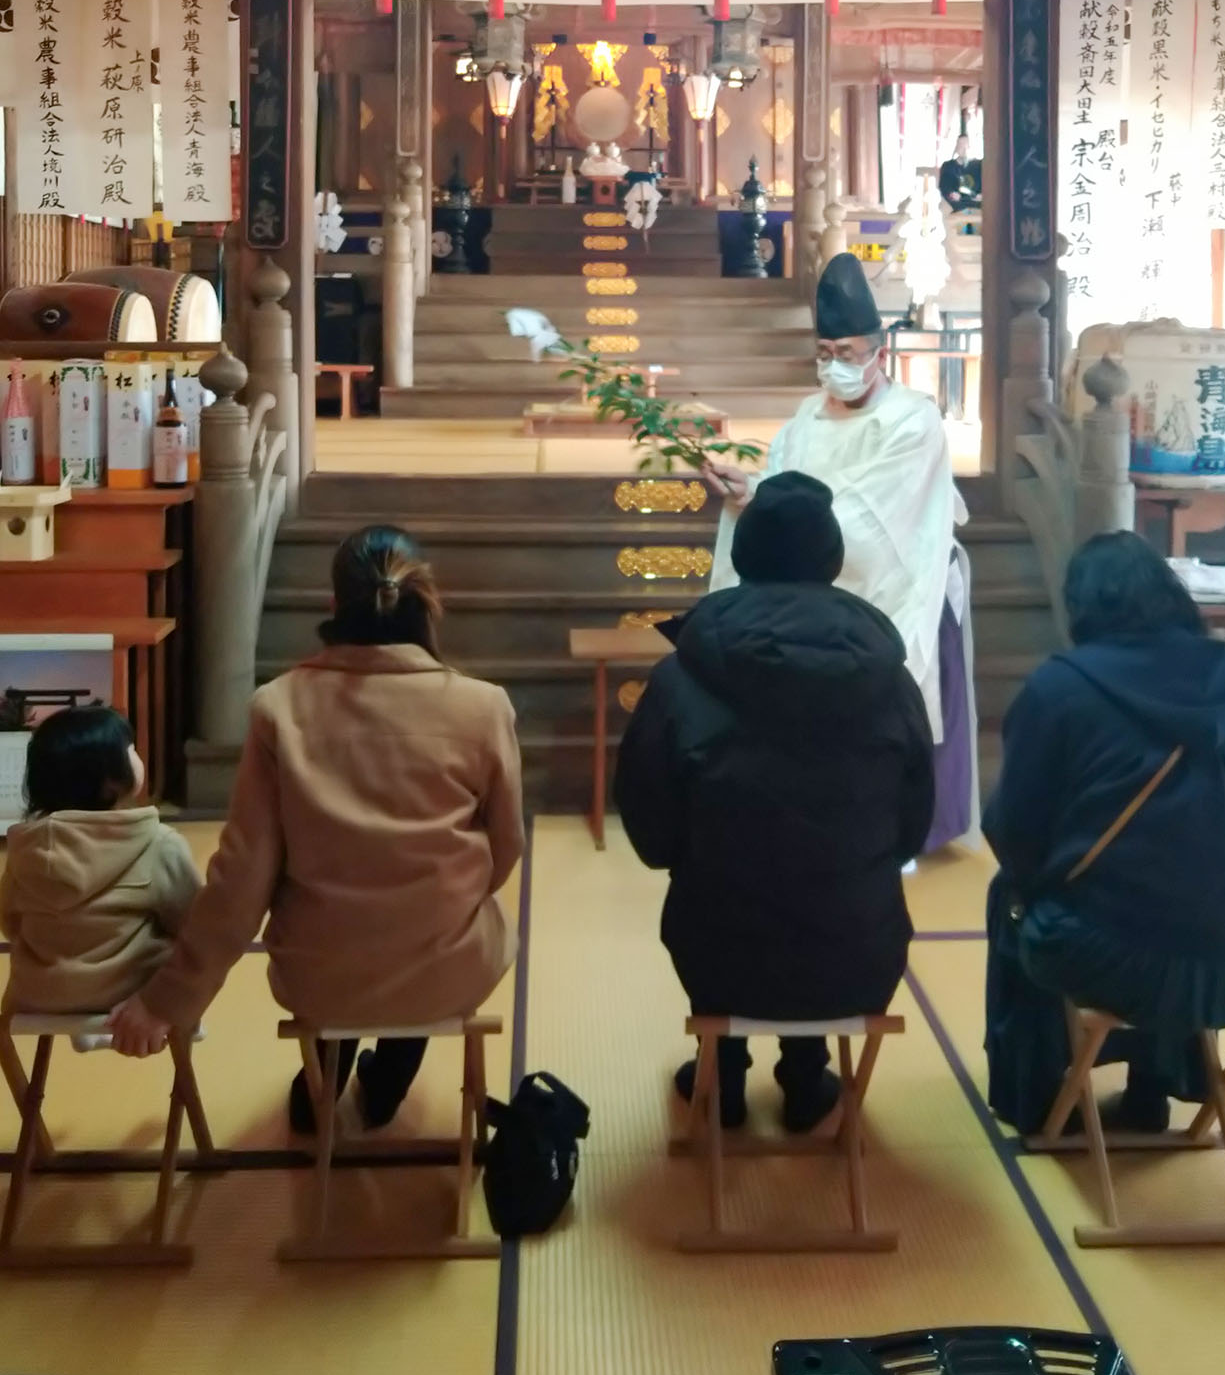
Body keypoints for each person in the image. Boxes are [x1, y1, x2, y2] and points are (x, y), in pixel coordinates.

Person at [110, 525, 526, 1134]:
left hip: (321, 970)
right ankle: (386, 1086)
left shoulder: (279, 706)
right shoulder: (483, 706)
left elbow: (241, 879)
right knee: (434, 936)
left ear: (334, 604)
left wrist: (168, 998)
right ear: (427, 603)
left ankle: (320, 1082)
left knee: (336, 946)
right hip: (447, 965)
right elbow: (507, 847)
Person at [615, 472, 935, 1131]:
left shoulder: (683, 677)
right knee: (828, 890)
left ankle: (723, 1072)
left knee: (723, 898)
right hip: (857, 951)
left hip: (719, 949)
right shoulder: (890, 680)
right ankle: (805, 1075)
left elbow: (649, 828)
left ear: (743, 554)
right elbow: (912, 828)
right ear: (833, 559)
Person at [984, 531, 1225, 1136]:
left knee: (1013, 899)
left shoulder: (1061, 688)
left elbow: (1013, 830)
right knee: (1180, 890)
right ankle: (1153, 1090)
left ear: (1081, 607)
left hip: (1120, 964)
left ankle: (1038, 1098)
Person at [705, 250, 976, 851]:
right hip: (814, 596)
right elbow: (786, 489)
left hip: (898, 582)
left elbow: (880, 516)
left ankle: (900, 832)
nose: (834, 367)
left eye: (848, 355)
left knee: (890, 705)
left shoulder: (913, 420)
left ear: (879, 352)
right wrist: (748, 493)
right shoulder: (806, 417)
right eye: (824, 354)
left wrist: (779, 510)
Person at [1, 707, 201, 1020]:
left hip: (40, 994)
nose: (137, 754)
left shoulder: (27, 847)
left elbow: (9, 920)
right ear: (111, 783)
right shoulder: (157, 843)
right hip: (132, 996)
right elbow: (193, 920)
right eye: (130, 749)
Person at [939, 134, 982, 214]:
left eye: (966, 145)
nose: (964, 148)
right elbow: (945, 187)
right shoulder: (948, 166)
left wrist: (982, 195)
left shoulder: (979, 165)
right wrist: (951, 194)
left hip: (978, 208)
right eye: (960, 145)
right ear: (956, 147)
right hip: (959, 208)